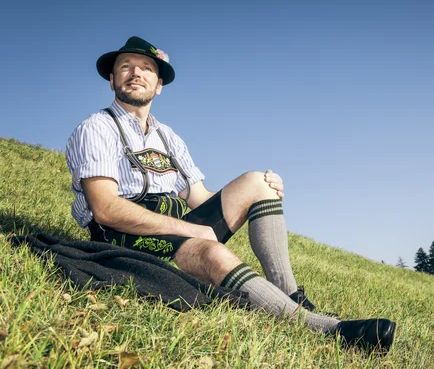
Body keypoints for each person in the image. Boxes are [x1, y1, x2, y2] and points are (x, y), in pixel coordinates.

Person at [65, 36, 396, 352]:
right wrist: (190, 230)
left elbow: (198, 196)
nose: (136, 72)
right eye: (126, 66)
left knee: (258, 181)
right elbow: (105, 208)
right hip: (122, 235)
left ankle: (289, 294)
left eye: (146, 67)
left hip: (173, 227)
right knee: (213, 253)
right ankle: (330, 330)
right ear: (112, 79)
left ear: (159, 84)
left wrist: (261, 191)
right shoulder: (96, 127)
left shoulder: (168, 137)